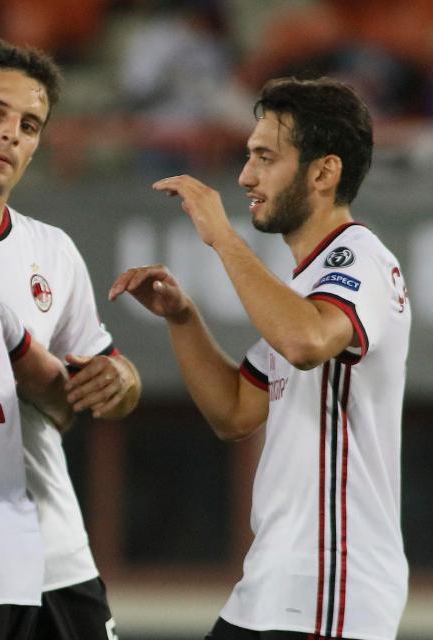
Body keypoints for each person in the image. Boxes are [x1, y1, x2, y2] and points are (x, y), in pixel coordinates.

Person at [110, 77, 409, 640]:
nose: (245, 176)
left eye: (264, 158)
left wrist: (223, 238)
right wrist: (183, 318)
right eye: (249, 157)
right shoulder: (306, 287)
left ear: (323, 173)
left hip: (330, 584)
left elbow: (304, 344)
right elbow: (235, 412)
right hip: (274, 583)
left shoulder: (360, 259)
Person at [0, 38, 140, 640]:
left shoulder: (53, 250)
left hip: (58, 556)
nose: (11, 134)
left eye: (29, 124)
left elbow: (106, 382)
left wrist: (119, 382)